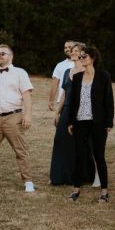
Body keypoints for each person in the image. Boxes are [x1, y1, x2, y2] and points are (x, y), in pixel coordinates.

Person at [0, 44, 35, 193]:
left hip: (13, 117)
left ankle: (28, 180)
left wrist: (27, 115)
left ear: (11, 56)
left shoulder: (20, 73)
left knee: (20, 149)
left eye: (3, 53)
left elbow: (27, 96)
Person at [68, 46, 114, 203]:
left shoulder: (103, 76)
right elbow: (73, 102)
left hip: (98, 123)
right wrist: (70, 121)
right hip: (80, 121)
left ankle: (104, 192)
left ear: (93, 57)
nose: (81, 58)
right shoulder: (78, 77)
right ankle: (76, 189)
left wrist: (109, 122)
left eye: (84, 56)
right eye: (80, 56)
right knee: (79, 155)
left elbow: (108, 100)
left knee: (99, 156)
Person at [49, 43, 85, 185]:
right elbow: (63, 93)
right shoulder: (67, 71)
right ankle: (58, 177)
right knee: (59, 140)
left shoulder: (86, 71)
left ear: (83, 54)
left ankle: (77, 177)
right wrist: (57, 112)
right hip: (66, 110)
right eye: (72, 50)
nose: (73, 52)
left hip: (80, 111)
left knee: (77, 144)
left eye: (77, 51)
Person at [48, 40, 75, 111]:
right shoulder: (60, 65)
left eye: (69, 47)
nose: (67, 49)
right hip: (62, 102)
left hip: (78, 101)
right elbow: (55, 84)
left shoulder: (82, 63)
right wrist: (51, 100)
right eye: (65, 48)